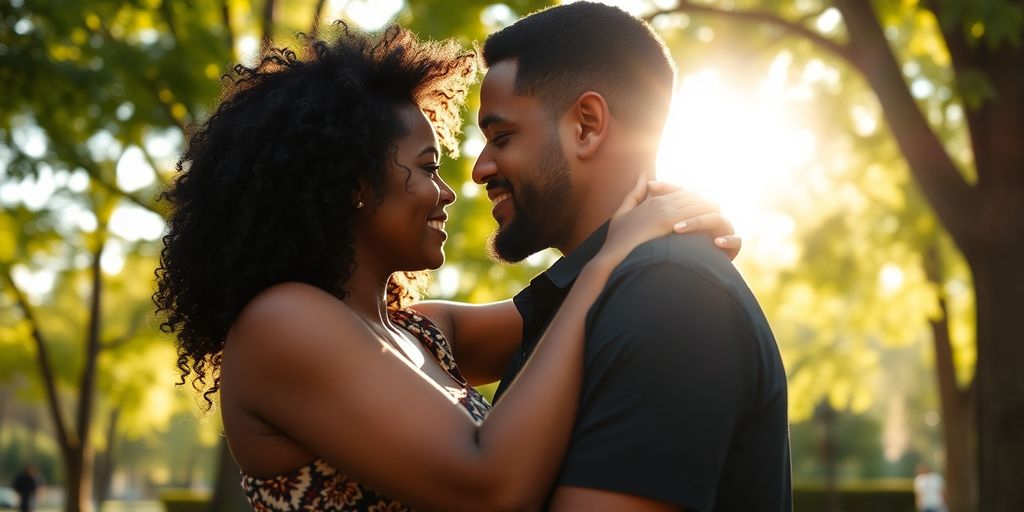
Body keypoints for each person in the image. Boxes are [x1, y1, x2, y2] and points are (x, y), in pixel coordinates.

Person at [154, 22, 739, 511]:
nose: (450, 191)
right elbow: (490, 487)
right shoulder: (281, 324)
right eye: (427, 165)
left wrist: (660, 230)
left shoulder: (423, 332)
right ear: (358, 184)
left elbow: (570, 312)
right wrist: (612, 259)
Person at [469, 3, 792, 510]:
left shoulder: (671, 294)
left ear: (587, 125)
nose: (480, 169)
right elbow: (413, 335)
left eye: (501, 137)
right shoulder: (601, 289)